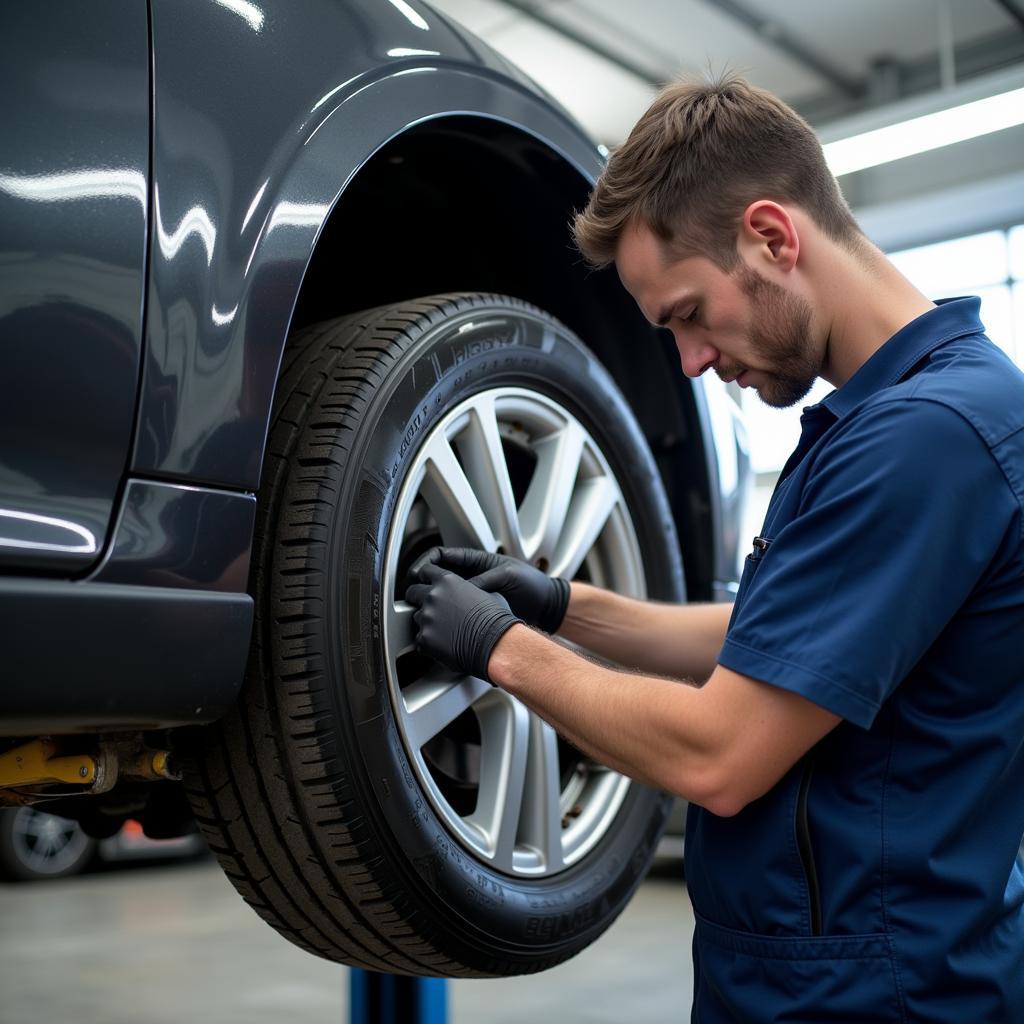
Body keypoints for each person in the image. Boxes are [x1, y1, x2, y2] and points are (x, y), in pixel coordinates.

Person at [404, 75, 1024, 1022]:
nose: (692, 361)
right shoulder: (916, 414)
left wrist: (500, 647)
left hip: (872, 993)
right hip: (842, 969)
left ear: (773, 238)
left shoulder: (924, 438)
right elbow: (780, 637)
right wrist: (566, 607)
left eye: (688, 313)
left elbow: (719, 756)